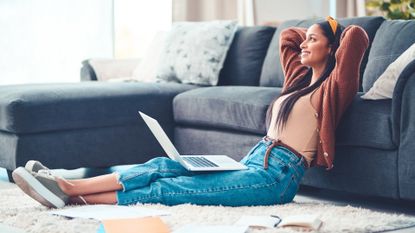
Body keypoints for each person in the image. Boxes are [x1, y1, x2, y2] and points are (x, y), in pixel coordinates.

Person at [12, 16, 369, 209]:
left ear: (332, 48)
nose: (303, 43)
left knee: (171, 188)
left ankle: (67, 191)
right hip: (251, 161)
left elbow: (356, 39)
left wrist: (334, 32)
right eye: (306, 38)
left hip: (276, 179)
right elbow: (287, 38)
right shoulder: (297, 81)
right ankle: (65, 183)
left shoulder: (332, 90)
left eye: (314, 39)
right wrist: (313, 35)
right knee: (163, 165)